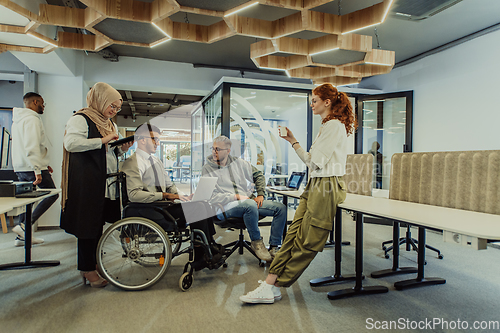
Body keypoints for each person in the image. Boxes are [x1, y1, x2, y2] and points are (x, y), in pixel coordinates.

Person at [240, 83, 356, 304]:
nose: (311, 104)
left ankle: (275, 283)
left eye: (314, 100)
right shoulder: (328, 125)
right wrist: (293, 142)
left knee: (308, 241)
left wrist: (294, 143)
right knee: (293, 235)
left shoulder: (334, 126)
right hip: (316, 185)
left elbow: (315, 162)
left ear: (327, 102)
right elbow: (315, 163)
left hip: (326, 186)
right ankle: (270, 284)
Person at [121, 123, 223, 270]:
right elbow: (134, 195)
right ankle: (201, 255)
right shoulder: (133, 163)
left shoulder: (156, 161)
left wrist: (183, 196)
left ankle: (209, 244)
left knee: (203, 203)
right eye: (155, 139)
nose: (158, 143)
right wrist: (165, 195)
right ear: (142, 140)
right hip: (149, 209)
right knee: (199, 208)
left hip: (163, 206)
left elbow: (170, 185)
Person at [60, 82, 131, 288]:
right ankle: (87, 269)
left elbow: (109, 153)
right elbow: (71, 144)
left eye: (117, 108)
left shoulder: (110, 124)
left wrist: (121, 149)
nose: (114, 111)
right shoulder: (81, 118)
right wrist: (102, 140)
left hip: (105, 181)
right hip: (87, 182)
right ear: (100, 100)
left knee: (98, 226)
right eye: (112, 106)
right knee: (87, 228)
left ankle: (94, 263)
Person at [202, 135, 287, 262]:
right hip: (224, 206)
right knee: (249, 204)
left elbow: (258, 175)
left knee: (280, 208)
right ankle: (256, 242)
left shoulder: (239, 163)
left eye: (218, 149)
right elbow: (209, 197)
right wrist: (235, 196)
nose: (214, 152)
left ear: (228, 151)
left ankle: (274, 247)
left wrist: (260, 194)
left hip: (247, 202)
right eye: (213, 148)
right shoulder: (207, 169)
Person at [11, 92, 59, 247]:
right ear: (35, 102)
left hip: (21, 167)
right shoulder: (31, 119)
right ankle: (24, 226)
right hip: (32, 168)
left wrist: (43, 163)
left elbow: (24, 146)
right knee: (52, 194)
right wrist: (38, 169)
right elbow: (31, 146)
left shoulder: (18, 120)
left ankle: (22, 238)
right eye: (42, 103)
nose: (43, 106)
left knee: (27, 201)